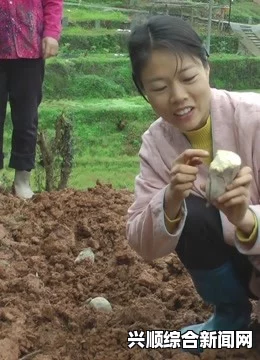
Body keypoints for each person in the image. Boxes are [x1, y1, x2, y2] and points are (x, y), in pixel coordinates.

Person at [126, 14, 260, 352]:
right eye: (158, 88)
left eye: (188, 77)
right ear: (144, 92)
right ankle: (231, 319)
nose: (178, 96)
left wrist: (245, 219)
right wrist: (169, 200)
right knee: (189, 212)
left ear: (207, 68)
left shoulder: (254, 117)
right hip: (243, 269)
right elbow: (142, 242)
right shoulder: (156, 144)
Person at [0, 0, 63, 199]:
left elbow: (53, 2)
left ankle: (22, 181)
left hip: (29, 49)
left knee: (27, 119)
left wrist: (52, 33)